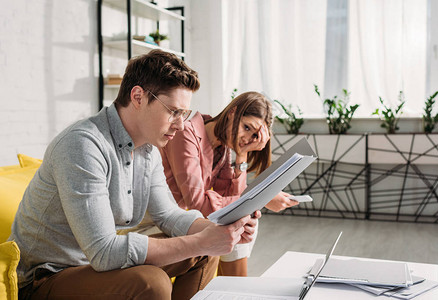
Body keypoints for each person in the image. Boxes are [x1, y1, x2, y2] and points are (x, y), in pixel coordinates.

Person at [8, 49, 259, 300]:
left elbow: (169, 215)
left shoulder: (147, 148)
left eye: (183, 114)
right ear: (138, 96)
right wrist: (202, 240)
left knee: (203, 251)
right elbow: (104, 251)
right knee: (152, 283)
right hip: (44, 278)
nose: (181, 125)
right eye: (173, 111)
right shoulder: (83, 145)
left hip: (91, 266)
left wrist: (219, 231)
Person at [159, 91, 299, 277]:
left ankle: (233, 289)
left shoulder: (224, 146)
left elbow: (231, 201)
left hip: (187, 215)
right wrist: (261, 198)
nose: (247, 138)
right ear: (233, 112)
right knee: (240, 223)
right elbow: (197, 202)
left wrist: (242, 155)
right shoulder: (187, 133)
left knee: (245, 222)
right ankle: (236, 289)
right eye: (247, 127)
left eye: (254, 136)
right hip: (164, 215)